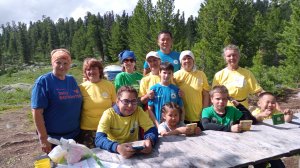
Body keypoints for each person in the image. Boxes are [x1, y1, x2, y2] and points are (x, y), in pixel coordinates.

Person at [31, 48, 82, 153]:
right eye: (58, 62)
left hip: (75, 136)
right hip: (54, 139)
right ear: (52, 63)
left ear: (70, 64)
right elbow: (37, 112)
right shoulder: (44, 81)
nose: (62, 66)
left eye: (65, 63)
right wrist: (43, 138)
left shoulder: (71, 80)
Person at [95, 86, 158, 158]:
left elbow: (151, 128)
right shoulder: (108, 114)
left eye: (133, 101)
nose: (130, 105)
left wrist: (150, 140)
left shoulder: (138, 110)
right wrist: (117, 147)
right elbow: (99, 139)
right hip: (114, 153)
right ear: (118, 101)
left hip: (135, 151)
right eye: (125, 101)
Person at [79, 58, 116, 148]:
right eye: (88, 69)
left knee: (109, 157)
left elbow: (115, 106)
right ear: (85, 72)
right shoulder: (81, 88)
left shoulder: (109, 85)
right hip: (87, 130)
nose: (91, 71)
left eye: (94, 68)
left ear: (99, 70)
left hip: (107, 129)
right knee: (90, 158)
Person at [212, 44, 263, 108]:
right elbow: (213, 95)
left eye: (234, 55)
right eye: (229, 56)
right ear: (225, 58)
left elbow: (258, 91)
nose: (232, 58)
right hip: (224, 109)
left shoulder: (247, 73)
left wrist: (269, 99)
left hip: (242, 108)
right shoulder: (219, 75)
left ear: (238, 56)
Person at [174, 50, 210, 129]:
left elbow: (206, 94)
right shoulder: (175, 76)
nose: (187, 61)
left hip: (199, 117)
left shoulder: (201, 74)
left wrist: (205, 112)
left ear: (193, 60)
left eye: (189, 58)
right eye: (184, 59)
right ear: (181, 62)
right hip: (182, 117)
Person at [148, 62, 184, 127]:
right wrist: (157, 124)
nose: (166, 75)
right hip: (158, 125)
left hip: (174, 126)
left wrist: (181, 122)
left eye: (169, 73)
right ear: (159, 73)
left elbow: (182, 108)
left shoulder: (176, 89)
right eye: (164, 73)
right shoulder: (154, 89)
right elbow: (150, 109)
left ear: (172, 74)